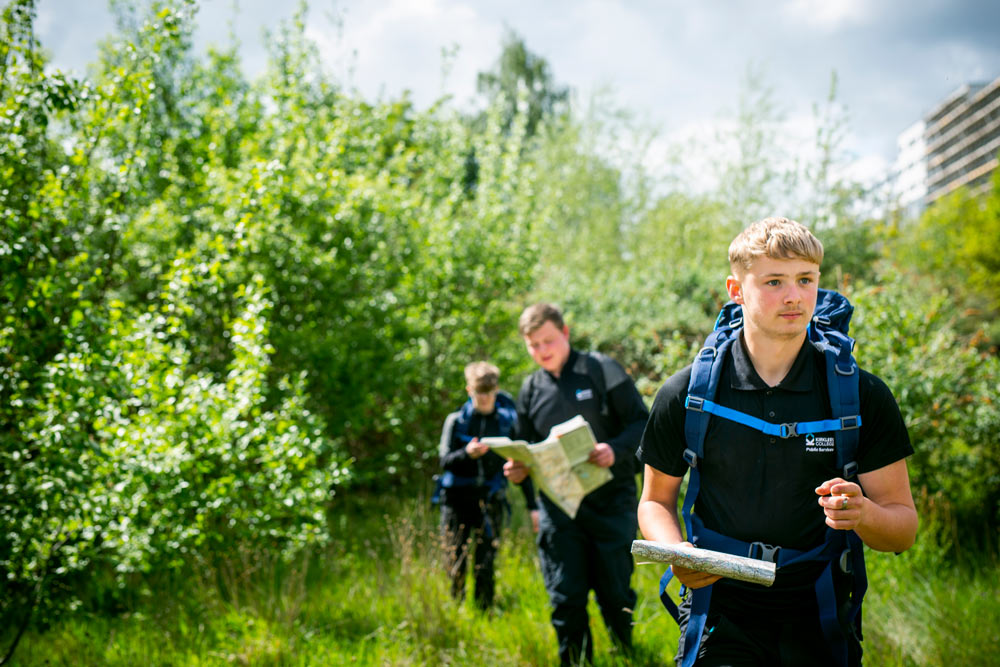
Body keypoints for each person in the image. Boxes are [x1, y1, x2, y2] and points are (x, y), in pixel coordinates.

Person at [637, 217, 918, 666]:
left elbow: (903, 528)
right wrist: (677, 552)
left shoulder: (860, 394)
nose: (794, 296)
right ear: (736, 289)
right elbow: (655, 501)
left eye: (806, 280)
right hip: (720, 607)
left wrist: (863, 513)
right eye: (773, 281)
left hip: (819, 606)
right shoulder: (689, 393)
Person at [504, 303, 650, 665]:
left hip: (611, 503)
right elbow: (524, 449)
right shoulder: (530, 389)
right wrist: (520, 475)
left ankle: (625, 653)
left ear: (566, 333)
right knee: (565, 595)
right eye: (533, 345)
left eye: (548, 341)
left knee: (615, 592)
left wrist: (614, 450)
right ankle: (574, 660)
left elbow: (641, 423)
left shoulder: (601, 370)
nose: (542, 351)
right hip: (559, 509)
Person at [438, 361, 538, 610]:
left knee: (486, 560)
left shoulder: (507, 422)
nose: (484, 398)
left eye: (489, 392)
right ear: (468, 390)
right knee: (455, 557)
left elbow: (520, 464)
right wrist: (467, 453)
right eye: (478, 392)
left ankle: (485, 610)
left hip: (491, 498)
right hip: (456, 499)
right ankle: (457, 608)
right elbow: (444, 461)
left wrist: (532, 506)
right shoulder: (455, 421)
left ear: (496, 390)